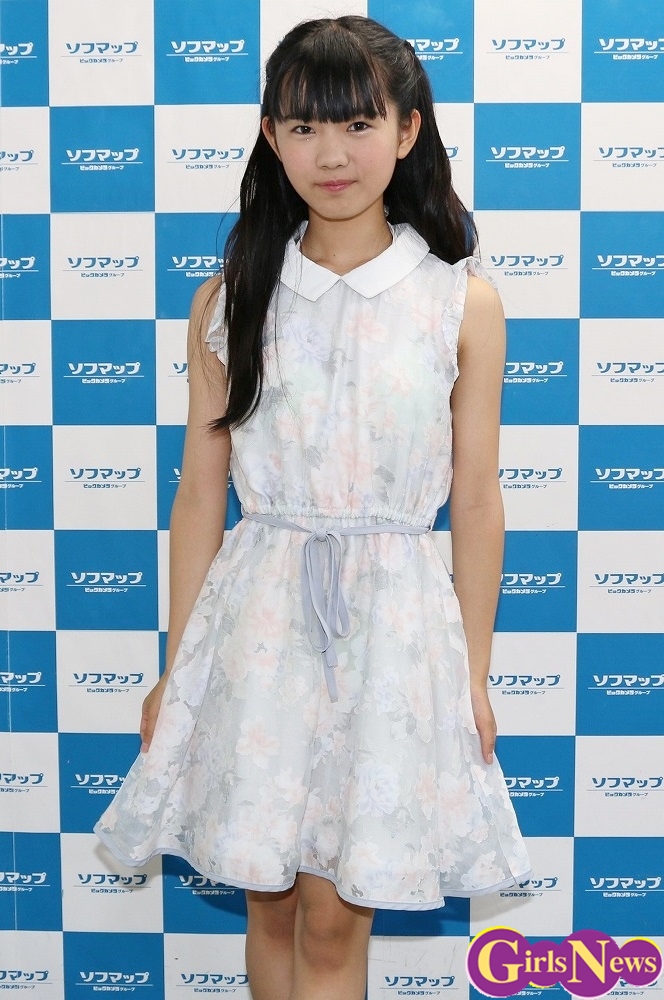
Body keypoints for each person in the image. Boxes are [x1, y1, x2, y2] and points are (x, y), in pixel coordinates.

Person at [96, 15, 531, 1000]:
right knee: (270, 899)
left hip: (393, 634)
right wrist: (175, 668)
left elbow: (475, 498)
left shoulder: (461, 303)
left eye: (357, 123)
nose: (330, 154)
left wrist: (469, 679)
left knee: (335, 918)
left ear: (408, 130)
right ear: (270, 135)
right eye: (302, 127)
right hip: (259, 626)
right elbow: (200, 495)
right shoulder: (229, 300)